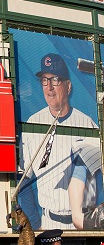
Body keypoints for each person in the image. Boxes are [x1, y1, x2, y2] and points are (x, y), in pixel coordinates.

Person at [20, 53, 100, 230]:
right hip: (49, 222)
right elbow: (23, 178)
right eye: (44, 80)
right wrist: (34, 223)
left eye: (55, 80)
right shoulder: (32, 124)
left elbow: (97, 178)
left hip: (83, 224)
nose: (49, 87)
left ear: (68, 86)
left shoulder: (88, 124)